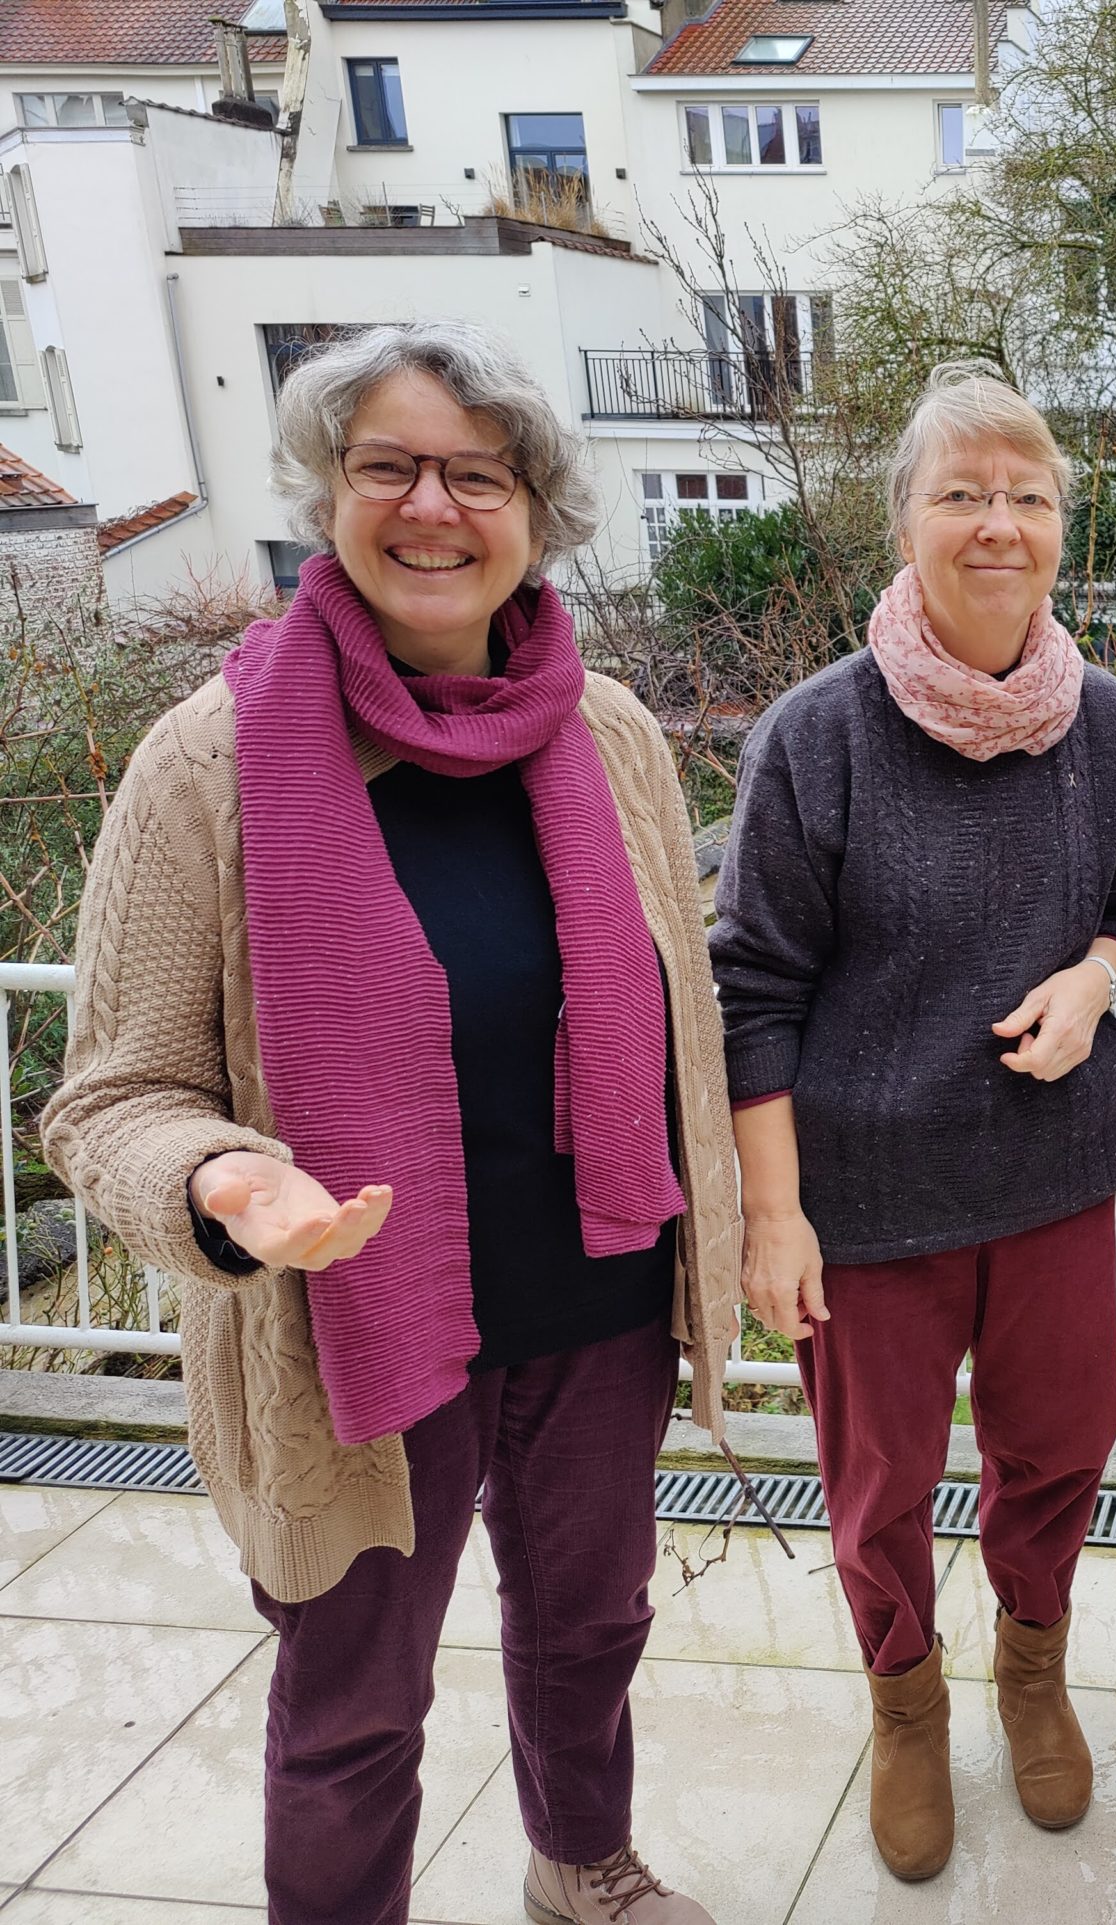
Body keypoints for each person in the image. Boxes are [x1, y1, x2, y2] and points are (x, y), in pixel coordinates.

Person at [39, 321, 742, 1925]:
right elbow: (109, 1095)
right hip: (350, 1321)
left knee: (592, 1629)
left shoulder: (611, 734)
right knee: (355, 1704)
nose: (432, 506)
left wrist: (743, 1221)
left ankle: (581, 1864)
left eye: (476, 474)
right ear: (328, 497)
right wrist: (223, 1175)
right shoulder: (211, 760)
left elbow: (678, 1024)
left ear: (535, 511)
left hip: (597, 1299)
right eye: (389, 467)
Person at [709, 363, 1116, 1882]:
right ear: (904, 521)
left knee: (1062, 1447)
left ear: (1060, 527)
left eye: (1028, 495)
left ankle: (1033, 1668)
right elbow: (752, 986)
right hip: (867, 1197)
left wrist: (1098, 978)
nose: (998, 523)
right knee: (880, 1484)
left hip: (1053, 1179)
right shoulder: (818, 736)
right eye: (962, 492)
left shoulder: (1104, 723)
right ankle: (905, 1702)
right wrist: (774, 1214)